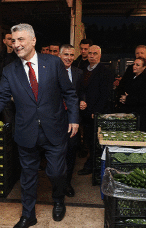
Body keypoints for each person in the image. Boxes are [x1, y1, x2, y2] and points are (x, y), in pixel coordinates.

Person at [0, 23, 79, 228]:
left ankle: (59, 199)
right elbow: (1, 97)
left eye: (21, 40)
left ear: (33, 41)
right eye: (13, 40)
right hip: (26, 131)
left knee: (56, 172)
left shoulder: (53, 63)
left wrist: (74, 119)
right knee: (27, 176)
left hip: (55, 129)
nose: (16, 45)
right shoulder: (10, 70)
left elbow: (69, 93)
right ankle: (28, 214)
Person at [77, 45, 114, 176]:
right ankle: (91, 163)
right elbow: (80, 89)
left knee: (95, 141)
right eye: (90, 53)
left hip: (96, 113)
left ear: (100, 55)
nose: (91, 55)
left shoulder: (105, 71)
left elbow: (105, 94)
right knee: (87, 139)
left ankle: (94, 166)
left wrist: (97, 111)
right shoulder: (83, 69)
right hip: (85, 111)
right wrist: (81, 100)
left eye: (95, 53)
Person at [59, 44, 84, 198]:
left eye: (71, 55)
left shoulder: (78, 73)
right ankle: (57, 182)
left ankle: (67, 183)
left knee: (70, 151)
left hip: (72, 119)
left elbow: (81, 92)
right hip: (55, 119)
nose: (69, 58)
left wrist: (83, 101)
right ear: (60, 56)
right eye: (66, 54)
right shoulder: (50, 72)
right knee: (56, 152)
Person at [118, 57, 146, 131]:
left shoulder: (145, 80)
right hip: (130, 113)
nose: (134, 66)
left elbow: (144, 99)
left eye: (138, 65)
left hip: (139, 116)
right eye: (134, 64)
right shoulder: (132, 77)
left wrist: (128, 98)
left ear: (144, 67)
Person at [0, 31, 18, 125]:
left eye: (13, 39)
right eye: (9, 39)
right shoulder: (1, 57)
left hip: (17, 93)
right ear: (4, 41)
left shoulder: (18, 56)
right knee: (8, 122)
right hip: (5, 93)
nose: (11, 41)